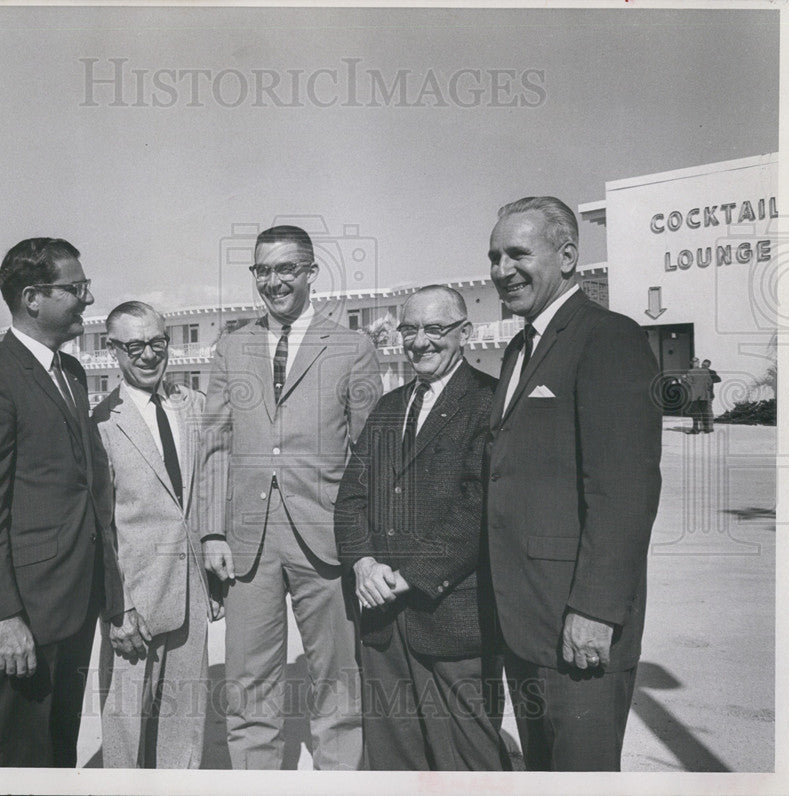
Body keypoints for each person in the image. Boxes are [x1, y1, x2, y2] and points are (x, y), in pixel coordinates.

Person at [486, 197, 662, 771]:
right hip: (527, 623)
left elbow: (625, 491)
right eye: (494, 256)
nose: (501, 270)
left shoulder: (608, 337)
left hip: (578, 627)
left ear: (566, 256)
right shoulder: (520, 347)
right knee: (541, 772)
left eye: (517, 253)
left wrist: (596, 611)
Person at [198, 224, 383, 769]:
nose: (273, 281)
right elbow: (215, 443)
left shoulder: (353, 347)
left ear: (310, 272)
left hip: (326, 537)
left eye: (286, 269)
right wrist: (212, 530)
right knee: (248, 687)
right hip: (247, 543)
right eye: (263, 270)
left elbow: (368, 453)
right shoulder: (231, 348)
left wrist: (364, 542)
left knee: (338, 684)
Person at [0, 238, 122, 767]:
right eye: (76, 288)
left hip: (74, 596)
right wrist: (4, 616)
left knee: (59, 745)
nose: (87, 300)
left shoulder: (71, 373)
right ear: (32, 298)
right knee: (20, 753)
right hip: (27, 607)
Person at [334, 285, 510, 771]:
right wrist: (364, 562)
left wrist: (407, 574)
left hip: (451, 618)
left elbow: (479, 508)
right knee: (395, 762)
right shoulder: (389, 407)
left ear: (465, 333)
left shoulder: (489, 403)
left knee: (470, 763)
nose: (420, 342)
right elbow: (351, 498)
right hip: (382, 621)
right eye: (409, 329)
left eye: (435, 329)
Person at [92, 300, 218, 768]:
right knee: (124, 729)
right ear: (114, 351)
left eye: (157, 343)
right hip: (135, 605)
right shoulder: (102, 423)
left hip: (192, 597)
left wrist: (213, 574)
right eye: (135, 345)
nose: (148, 355)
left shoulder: (193, 407)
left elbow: (206, 492)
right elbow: (99, 527)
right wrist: (116, 606)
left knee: (185, 728)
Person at [681, 358, 714, 434]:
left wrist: (684, 378)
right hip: (704, 395)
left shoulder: (690, 372)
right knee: (705, 411)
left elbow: (689, 383)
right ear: (699, 363)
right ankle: (707, 429)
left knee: (695, 412)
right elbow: (710, 382)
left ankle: (695, 429)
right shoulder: (706, 371)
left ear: (692, 363)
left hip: (695, 395)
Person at [701, 358, 721, 432]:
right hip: (699, 394)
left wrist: (709, 380)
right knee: (701, 411)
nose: (703, 366)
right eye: (703, 364)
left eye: (705, 365)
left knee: (708, 411)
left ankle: (709, 427)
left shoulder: (711, 372)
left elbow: (718, 379)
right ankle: (703, 427)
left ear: (708, 366)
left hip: (709, 394)